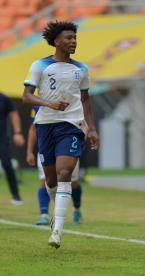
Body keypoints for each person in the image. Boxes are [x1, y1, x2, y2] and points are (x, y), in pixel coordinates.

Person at [22, 21, 99, 248]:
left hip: (71, 126)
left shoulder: (81, 69)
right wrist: (48, 103)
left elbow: (85, 100)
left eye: (75, 38)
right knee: (51, 180)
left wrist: (91, 128)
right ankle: (58, 209)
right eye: (68, 38)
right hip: (45, 125)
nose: (73, 41)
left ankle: (57, 231)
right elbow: (27, 95)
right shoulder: (40, 65)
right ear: (56, 41)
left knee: (65, 171)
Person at [26, 105, 84, 225]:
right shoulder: (38, 105)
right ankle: (44, 214)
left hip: (67, 147)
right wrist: (29, 152)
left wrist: (78, 143)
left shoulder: (73, 100)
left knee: (72, 183)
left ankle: (77, 210)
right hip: (46, 147)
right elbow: (33, 128)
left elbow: (84, 125)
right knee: (45, 180)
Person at [0, 92, 25, 205]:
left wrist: (18, 133)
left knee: (7, 165)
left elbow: (14, 114)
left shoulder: (4, 99)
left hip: (2, 139)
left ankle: (16, 195)